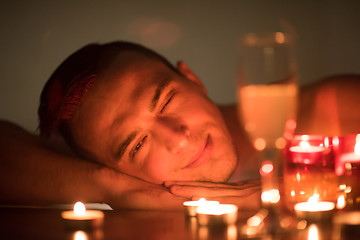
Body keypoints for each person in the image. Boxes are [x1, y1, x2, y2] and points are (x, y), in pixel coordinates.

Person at [1, 41, 360, 210]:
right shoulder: (107, 173)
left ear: (192, 79)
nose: (177, 137)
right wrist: (115, 190)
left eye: (166, 101)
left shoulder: (328, 111)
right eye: (136, 146)